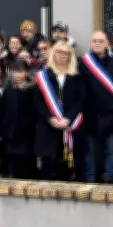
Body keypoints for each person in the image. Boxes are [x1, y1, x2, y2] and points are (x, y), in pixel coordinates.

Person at [34, 42, 85, 181]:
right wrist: (50, 118)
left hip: (68, 126)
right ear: (53, 53)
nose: (62, 55)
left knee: (66, 166)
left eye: (66, 53)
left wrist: (68, 119)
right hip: (48, 126)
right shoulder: (43, 76)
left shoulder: (76, 76)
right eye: (59, 52)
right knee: (47, 164)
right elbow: (38, 102)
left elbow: (80, 100)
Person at [79, 31, 113, 183]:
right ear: (90, 44)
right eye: (94, 41)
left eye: (101, 41)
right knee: (89, 150)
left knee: (111, 150)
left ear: (107, 44)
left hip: (110, 114)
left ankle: (110, 178)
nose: (97, 43)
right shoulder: (82, 63)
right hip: (89, 114)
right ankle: (90, 178)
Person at [0, 60, 36, 179]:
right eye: (15, 72)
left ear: (26, 73)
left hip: (26, 134)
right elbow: (1, 110)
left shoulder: (32, 90)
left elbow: (34, 113)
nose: (17, 75)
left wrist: (24, 127)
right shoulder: (9, 89)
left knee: (25, 164)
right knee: (11, 163)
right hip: (9, 134)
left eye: (20, 72)